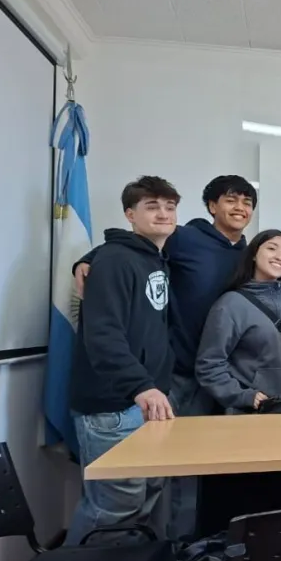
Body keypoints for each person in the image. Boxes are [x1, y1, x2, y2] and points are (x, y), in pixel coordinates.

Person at [74, 175, 258, 540]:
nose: (239, 208)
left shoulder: (246, 254)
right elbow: (121, 255)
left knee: (158, 485)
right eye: (230, 200)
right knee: (117, 504)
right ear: (212, 206)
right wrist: (86, 260)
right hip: (156, 386)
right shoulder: (182, 238)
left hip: (207, 382)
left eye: (247, 202)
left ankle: (163, 556)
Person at [65, 176, 178, 546]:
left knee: (141, 503)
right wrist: (141, 386)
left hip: (147, 404)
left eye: (169, 207)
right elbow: (103, 335)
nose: (163, 214)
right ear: (130, 214)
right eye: (152, 206)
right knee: (111, 512)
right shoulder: (115, 260)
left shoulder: (151, 256)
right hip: (113, 407)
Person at [195, 230, 281, 413]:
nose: (279, 256)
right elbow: (209, 365)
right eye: (272, 248)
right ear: (254, 254)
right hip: (252, 411)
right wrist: (244, 396)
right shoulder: (231, 304)